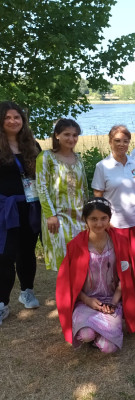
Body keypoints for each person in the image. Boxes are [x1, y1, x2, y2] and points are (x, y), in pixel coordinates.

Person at [56, 198, 135, 353]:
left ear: (109, 219)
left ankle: (101, 332)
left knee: (109, 348)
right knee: (86, 335)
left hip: (111, 301)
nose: (99, 224)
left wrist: (113, 303)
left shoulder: (119, 242)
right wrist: (87, 300)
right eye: (93, 219)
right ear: (85, 219)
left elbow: (125, 277)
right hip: (86, 300)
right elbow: (70, 283)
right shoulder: (76, 245)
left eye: (103, 218)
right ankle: (93, 331)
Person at [0, 101, 41, 324]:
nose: (13, 121)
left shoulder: (32, 145)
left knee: (26, 251)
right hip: (5, 208)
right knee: (5, 255)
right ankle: (2, 303)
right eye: (8, 117)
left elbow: (42, 176)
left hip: (29, 206)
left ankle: (27, 291)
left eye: (17, 117)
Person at [92, 125, 135, 270]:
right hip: (115, 223)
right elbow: (98, 197)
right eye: (117, 140)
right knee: (121, 261)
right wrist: (104, 220)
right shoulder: (102, 166)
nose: (121, 144)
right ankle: (122, 291)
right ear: (110, 141)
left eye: (125, 141)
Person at [36, 118, 89, 271]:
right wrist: (50, 215)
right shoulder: (46, 157)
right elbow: (42, 187)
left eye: (75, 135)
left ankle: (79, 294)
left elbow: (84, 187)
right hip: (58, 216)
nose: (71, 139)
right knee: (63, 261)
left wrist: (88, 214)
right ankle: (65, 294)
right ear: (57, 135)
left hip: (80, 216)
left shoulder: (78, 158)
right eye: (67, 134)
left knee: (81, 259)